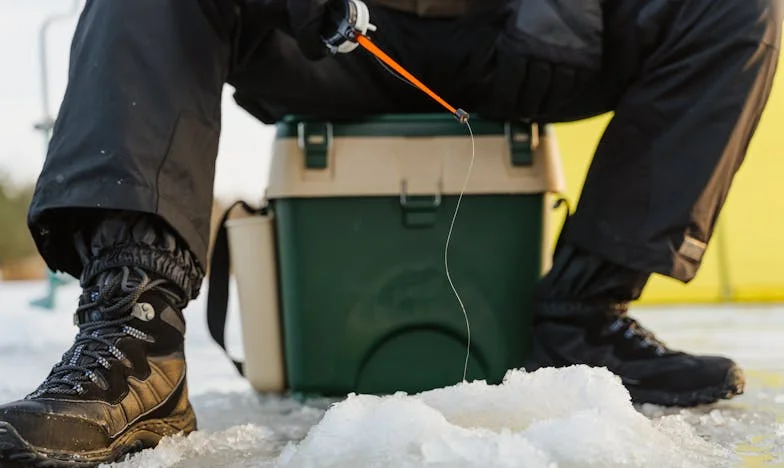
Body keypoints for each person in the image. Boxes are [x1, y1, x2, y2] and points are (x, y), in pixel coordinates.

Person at [0, 0, 780, 465]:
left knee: (738, 5)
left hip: (536, 36)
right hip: (328, 34)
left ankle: (585, 309)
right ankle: (137, 338)